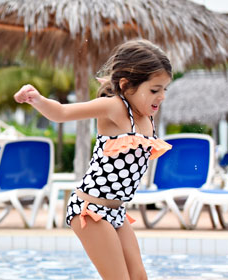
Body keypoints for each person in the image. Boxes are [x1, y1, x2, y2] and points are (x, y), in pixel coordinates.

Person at [14, 39, 172, 279]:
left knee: (139, 277)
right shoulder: (114, 107)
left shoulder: (147, 115)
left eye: (164, 89)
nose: (160, 96)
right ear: (126, 84)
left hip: (117, 212)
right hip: (90, 210)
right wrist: (36, 98)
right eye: (154, 90)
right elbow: (62, 113)